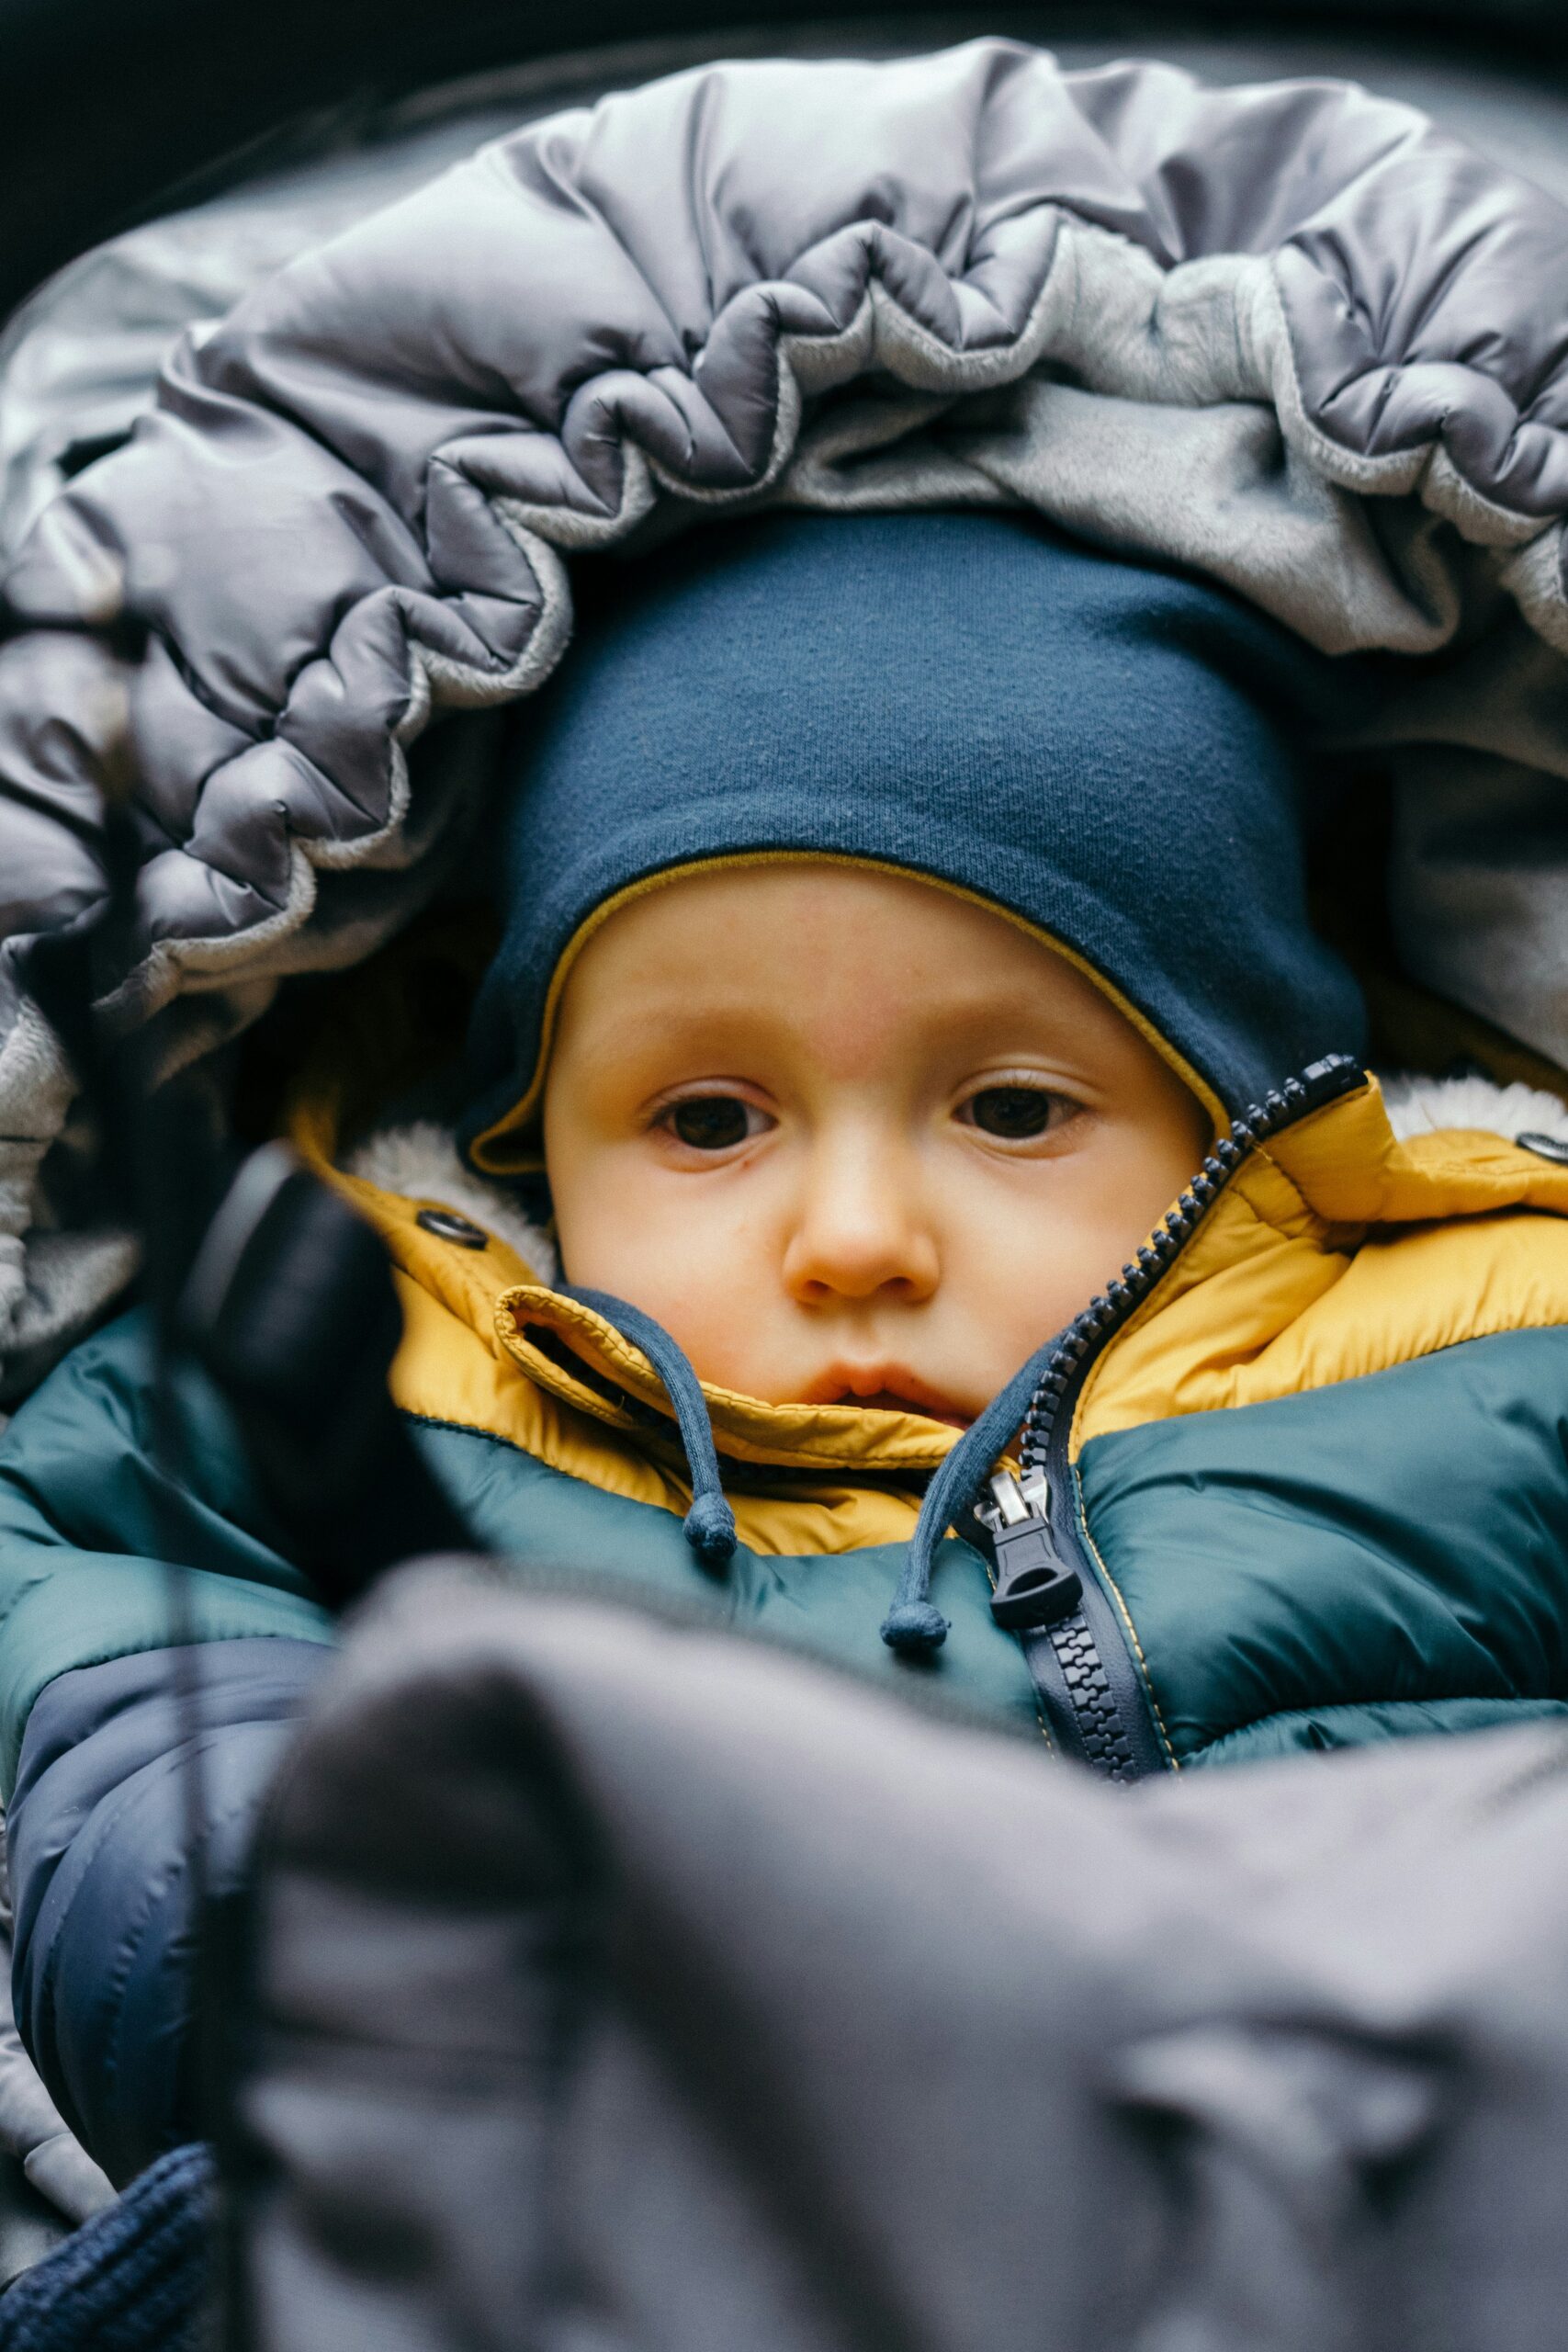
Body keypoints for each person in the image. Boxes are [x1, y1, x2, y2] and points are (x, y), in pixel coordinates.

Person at [4, 511, 1568, 2186]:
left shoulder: (1495, 1354)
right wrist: (347, 1939)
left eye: (1015, 1108)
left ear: (1234, 1120)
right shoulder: (330, 1402)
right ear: (530, 1140)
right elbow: (143, 1770)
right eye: (708, 1118)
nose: (852, 1242)